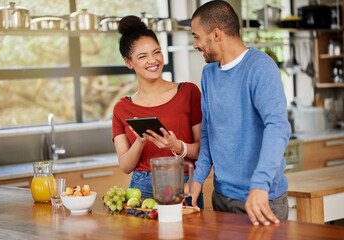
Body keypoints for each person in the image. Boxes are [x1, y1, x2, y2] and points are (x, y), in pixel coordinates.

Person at [185, 1, 292, 225]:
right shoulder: (209, 74)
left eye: (196, 36)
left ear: (216, 34)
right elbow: (208, 133)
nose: (195, 44)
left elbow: (278, 127)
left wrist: (260, 185)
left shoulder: (259, 67)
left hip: (262, 198)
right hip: (222, 198)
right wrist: (197, 179)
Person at [112, 15, 204, 208]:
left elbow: (204, 150)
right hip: (141, 187)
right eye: (142, 56)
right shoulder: (122, 108)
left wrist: (178, 145)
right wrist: (140, 140)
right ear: (129, 62)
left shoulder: (188, 92)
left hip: (183, 183)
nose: (153, 60)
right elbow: (126, 166)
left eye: (156, 52)